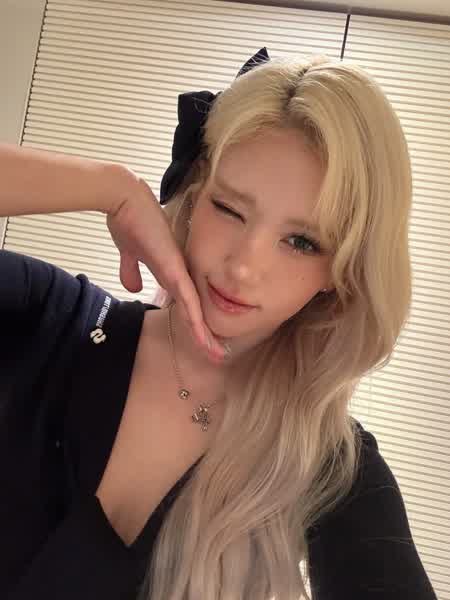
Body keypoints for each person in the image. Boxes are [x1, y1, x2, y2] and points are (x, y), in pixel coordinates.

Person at [0, 48, 438, 600]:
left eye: (301, 241)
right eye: (230, 209)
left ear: (341, 270)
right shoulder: (50, 318)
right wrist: (110, 187)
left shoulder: (330, 468)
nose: (244, 267)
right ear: (195, 194)